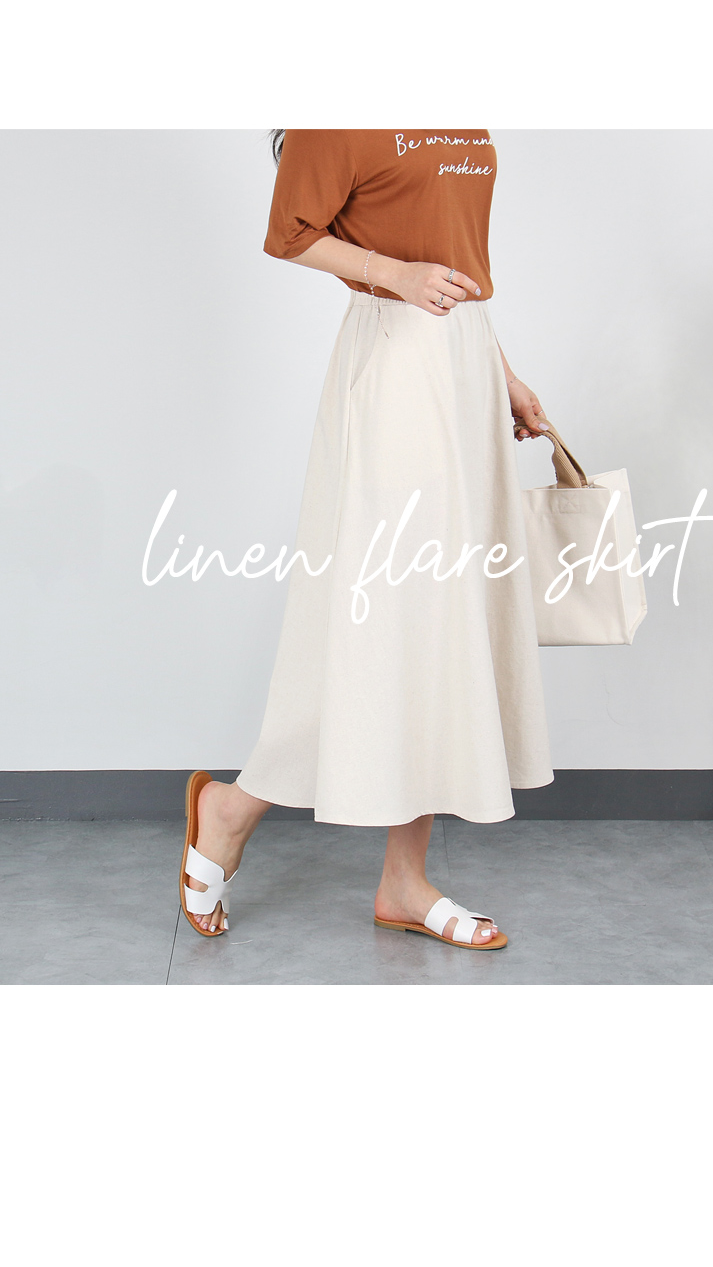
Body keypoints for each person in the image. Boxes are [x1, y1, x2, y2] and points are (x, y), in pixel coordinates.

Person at [179, 129, 554, 950]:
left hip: (463, 362)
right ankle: (233, 808)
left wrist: (502, 373)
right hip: (394, 362)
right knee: (386, 617)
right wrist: (395, 274)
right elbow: (289, 232)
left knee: (437, 627)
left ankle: (403, 881)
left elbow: (452, 256)